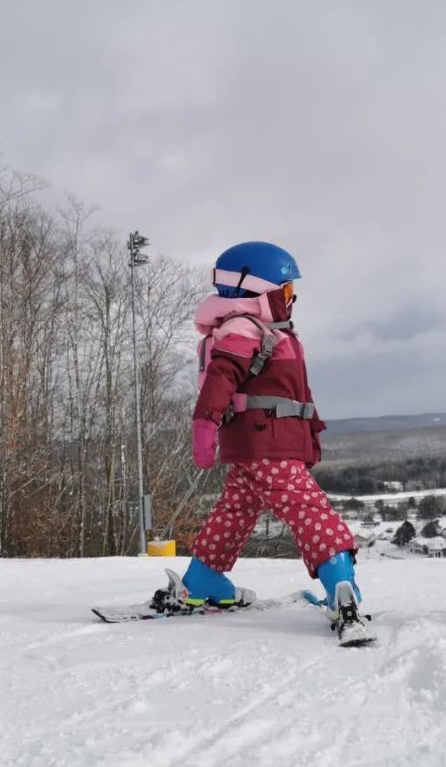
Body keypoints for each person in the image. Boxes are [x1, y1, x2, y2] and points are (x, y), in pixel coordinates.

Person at [150, 241, 367, 639]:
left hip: (255, 448)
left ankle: (203, 581)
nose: (292, 298)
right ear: (253, 288)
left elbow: (296, 395)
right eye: (285, 290)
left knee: (234, 512)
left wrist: (311, 434)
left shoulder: (270, 331)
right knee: (310, 510)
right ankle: (341, 586)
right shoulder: (242, 327)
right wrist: (205, 423)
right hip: (267, 447)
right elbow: (222, 377)